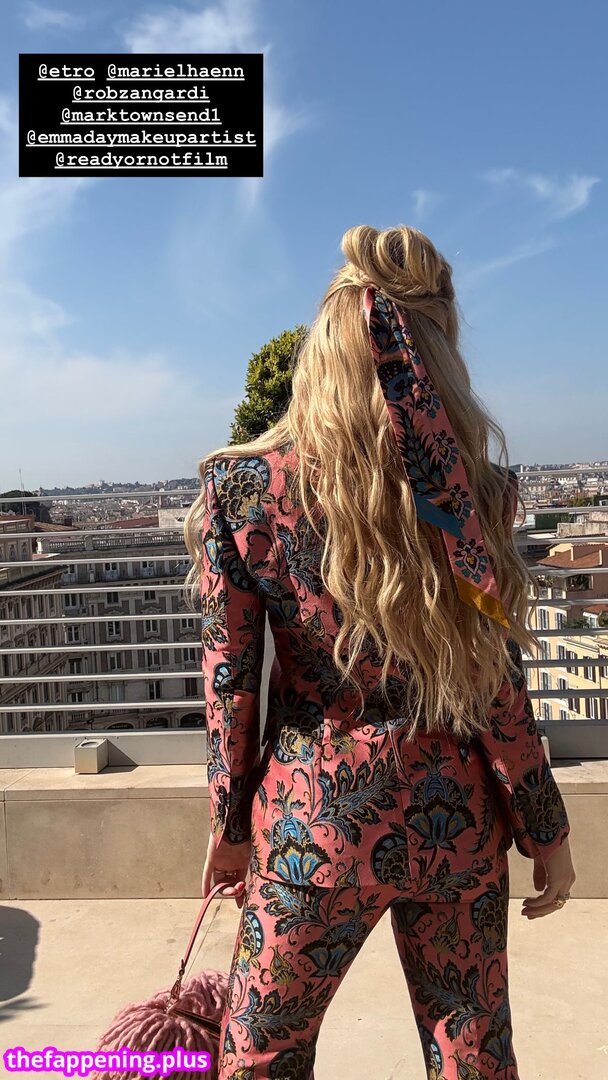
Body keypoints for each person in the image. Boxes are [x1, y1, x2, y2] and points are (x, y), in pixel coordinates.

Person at [183, 224, 575, 1080]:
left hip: (311, 829)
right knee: (472, 1058)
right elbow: (499, 686)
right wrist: (545, 828)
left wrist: (227, 828)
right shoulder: (478, 493)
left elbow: (229, 686)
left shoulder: (242, 490)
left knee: (262, 1056)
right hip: (454, 824)